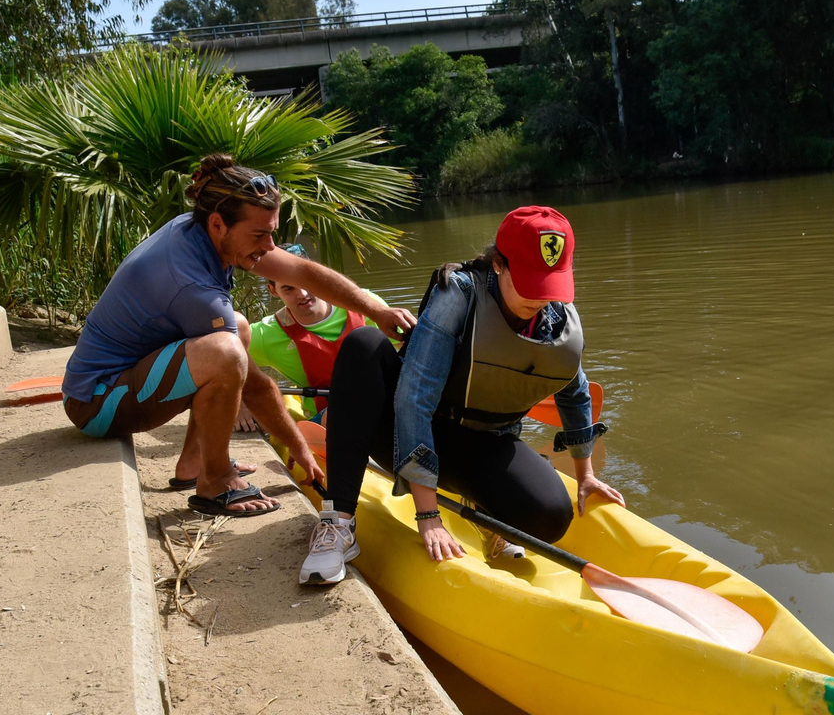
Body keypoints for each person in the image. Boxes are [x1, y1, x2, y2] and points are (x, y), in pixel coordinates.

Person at [60, 153, 415, 517]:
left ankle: (193, 463)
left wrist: (377, 312)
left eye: (272, 232)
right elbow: (254, 386)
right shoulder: (191, 286)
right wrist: (298, 444)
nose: (269, 245)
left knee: (238, 328)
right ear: (218, 224)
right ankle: (214, 481)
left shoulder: (199, 230)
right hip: (98, 404)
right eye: (260, 234)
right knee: (226, 353)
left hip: (117, 383)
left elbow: (303, 272)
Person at [299, 206, 624, 584]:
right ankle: (338, 523)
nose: (540, 298)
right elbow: (414, 398)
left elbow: (574, 390)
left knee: (550, 515)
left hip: (481, 442)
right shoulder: (458, 294)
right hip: (402, 429)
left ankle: (485, 514)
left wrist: (585, 474)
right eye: (529, 281)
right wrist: (428, 516)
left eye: (549, 284)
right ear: (499, 264)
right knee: (364, 344)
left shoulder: (556, 317)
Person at [242, 243, 388, 426]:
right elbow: (222, 356)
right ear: (273, 291)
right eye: (289, 288)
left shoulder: (366, 304)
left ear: (316, 276)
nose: (302, 294)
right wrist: (240, 403)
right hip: (327, 422)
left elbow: (407, 353)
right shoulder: (265, 334)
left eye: (305, 282)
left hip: (384, 407)